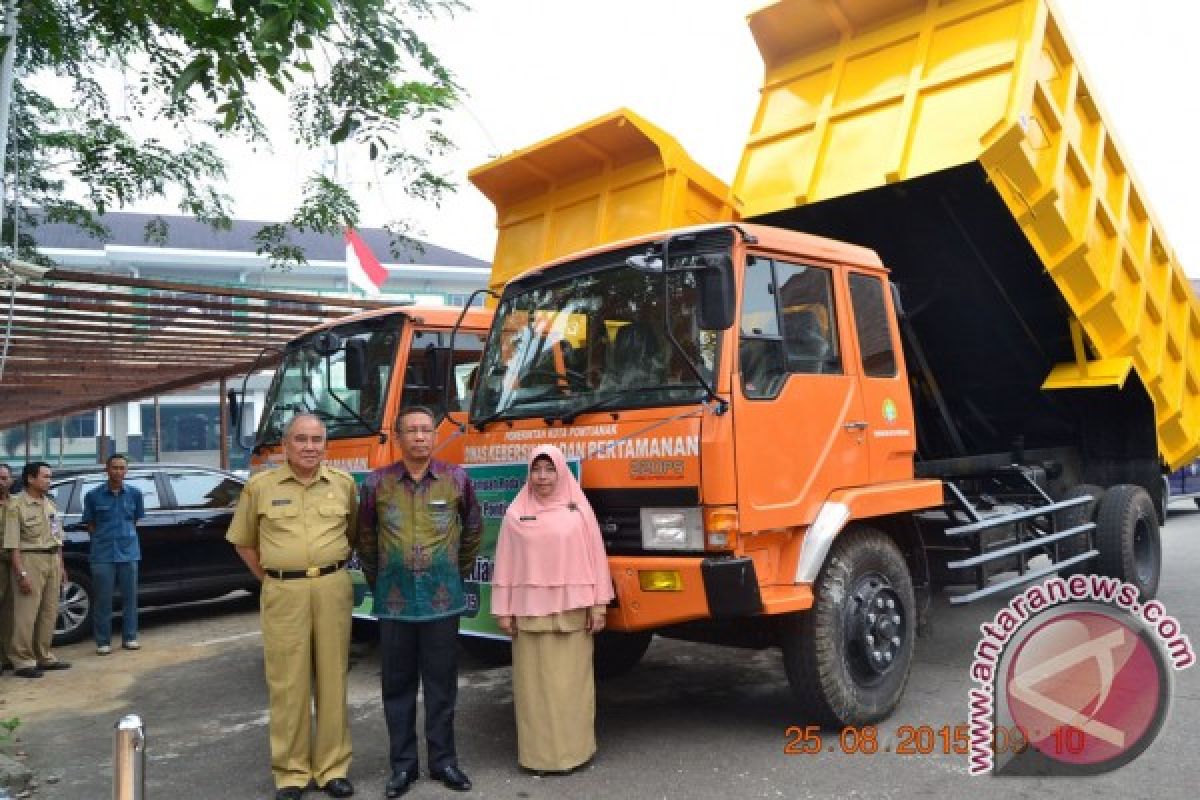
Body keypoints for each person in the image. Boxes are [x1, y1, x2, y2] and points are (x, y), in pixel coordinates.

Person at [226, 414, 358, 800]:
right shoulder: (260, 487)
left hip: (332, 586)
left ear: (325, 445)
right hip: (284, 591)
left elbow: (351, 536)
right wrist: (271, 579)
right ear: (286, 445)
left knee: (333, 679)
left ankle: (333, 768)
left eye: (317, 439)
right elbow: (243, 542)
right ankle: (291, 773)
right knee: (288, 684)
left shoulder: (343, 484)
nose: (310, 447)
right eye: (301, 439)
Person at [356, 405, 482, 798]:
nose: (420, 437)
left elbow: (474, 530)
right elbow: (365, 539)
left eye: (426, 430)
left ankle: (444, 761)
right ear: (398, 437)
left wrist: (451, 571)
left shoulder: (456, 479)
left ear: (434, 435)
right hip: (394, 604)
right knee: (397, 686)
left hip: (442, 602)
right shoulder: (376, 484)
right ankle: (403, 767)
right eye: (411, 430)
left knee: (441, 685)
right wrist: (382, 582)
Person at [491, 445, 614, 773]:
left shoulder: (579, 512)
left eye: (549, 470)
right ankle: (539, 758)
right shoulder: (516, 514)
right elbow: (504, 564)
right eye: (536, 470)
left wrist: (599, 606)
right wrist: (503, 610)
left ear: (561, 472)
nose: (542, 477)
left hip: (573, 613)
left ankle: (577, 753)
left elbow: (596, 559)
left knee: (570, 686)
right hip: (529, 614)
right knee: (534, 690)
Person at [2, 462, 71, 678]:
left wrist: (61, 566)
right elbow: (13, 544)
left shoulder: (48, 503)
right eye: (45, 477)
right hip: (29, 559)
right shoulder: (17, 506)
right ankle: (22, 661)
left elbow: (57, 537)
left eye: (50, 477)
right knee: (26, 615)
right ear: (30, 479)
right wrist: (21, 573)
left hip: (51, 559)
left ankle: (44, 656)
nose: (49, 481)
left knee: (49, 612)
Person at [81, 454, 145, 655]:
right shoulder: (93, 496)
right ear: (106, 470)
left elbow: (134, 520)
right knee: (103, 599)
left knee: (130, 598)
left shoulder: (135, 494)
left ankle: (130, 637)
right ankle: (103, 641)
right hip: (103, 553)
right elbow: (90, 524)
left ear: (126, 471)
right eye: (114, 467)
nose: (118, 471)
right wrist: (104, 538)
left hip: (128, 552)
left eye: (122, 468)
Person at [0, 463, 13, 675]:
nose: (1, 482)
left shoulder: (17, 504)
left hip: (14, 563)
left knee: (11, 613)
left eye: (4, 478)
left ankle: (7, 656)